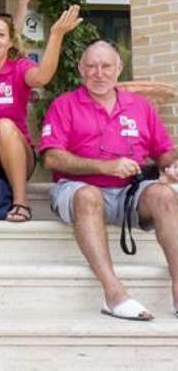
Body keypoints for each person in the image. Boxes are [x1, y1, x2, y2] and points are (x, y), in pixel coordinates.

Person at [40, 40, 178, 321]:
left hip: (129, 193)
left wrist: (173, 165)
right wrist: (105, 167)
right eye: (91, 66)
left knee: (164, 194)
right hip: (78, 190)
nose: (98, 73)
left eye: (106, 66)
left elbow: (163, 151)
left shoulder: (140, 106)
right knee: (88, 195)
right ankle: (113, 294)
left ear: (119, 69)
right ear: (81, 69)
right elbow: (52, 158)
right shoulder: (64, 105)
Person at [0, 2, 82, 221]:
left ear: (10, 42)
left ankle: (21, 203)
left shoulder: (19, 67)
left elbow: (43, 76)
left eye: (0, 34)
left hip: (16, 155)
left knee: (4, 125)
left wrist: (56, 36)